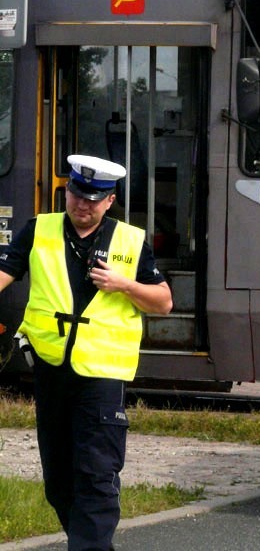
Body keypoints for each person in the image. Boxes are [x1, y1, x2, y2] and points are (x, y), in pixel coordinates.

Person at [0, 154, 173, 551]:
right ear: (67, 191)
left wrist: (124, 285)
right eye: (78, 194)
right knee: (59, 483)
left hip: (101, 376)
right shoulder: (38, 231)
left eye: (95, 199)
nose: (84, 205)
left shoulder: (131, 241)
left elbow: (163, 302)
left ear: (110, 201)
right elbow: (5, 272)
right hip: (51, 371)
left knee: (95, 476)